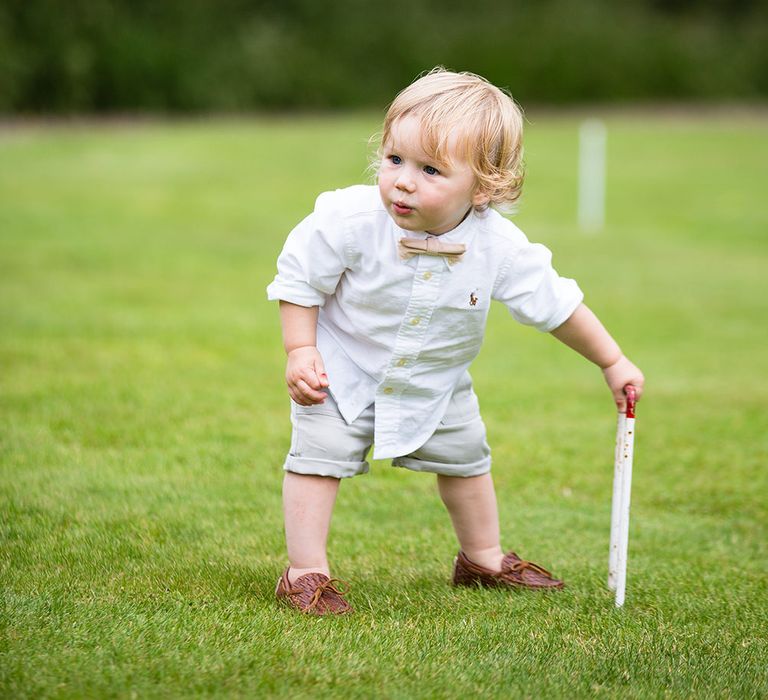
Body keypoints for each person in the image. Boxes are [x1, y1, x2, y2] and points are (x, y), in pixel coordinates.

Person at [266, 67, 644, 615]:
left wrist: (612, 360)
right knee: (318, 461)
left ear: (485, 185)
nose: (403, 180)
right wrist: (301, 350)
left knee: (468, 462)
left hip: (437, 380)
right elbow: (301, 278)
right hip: (342, 369)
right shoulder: (348, 219)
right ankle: (306, 572)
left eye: (431, 170)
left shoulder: (499, 247)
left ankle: (482, 559)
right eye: (394, 159)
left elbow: (556, 305)